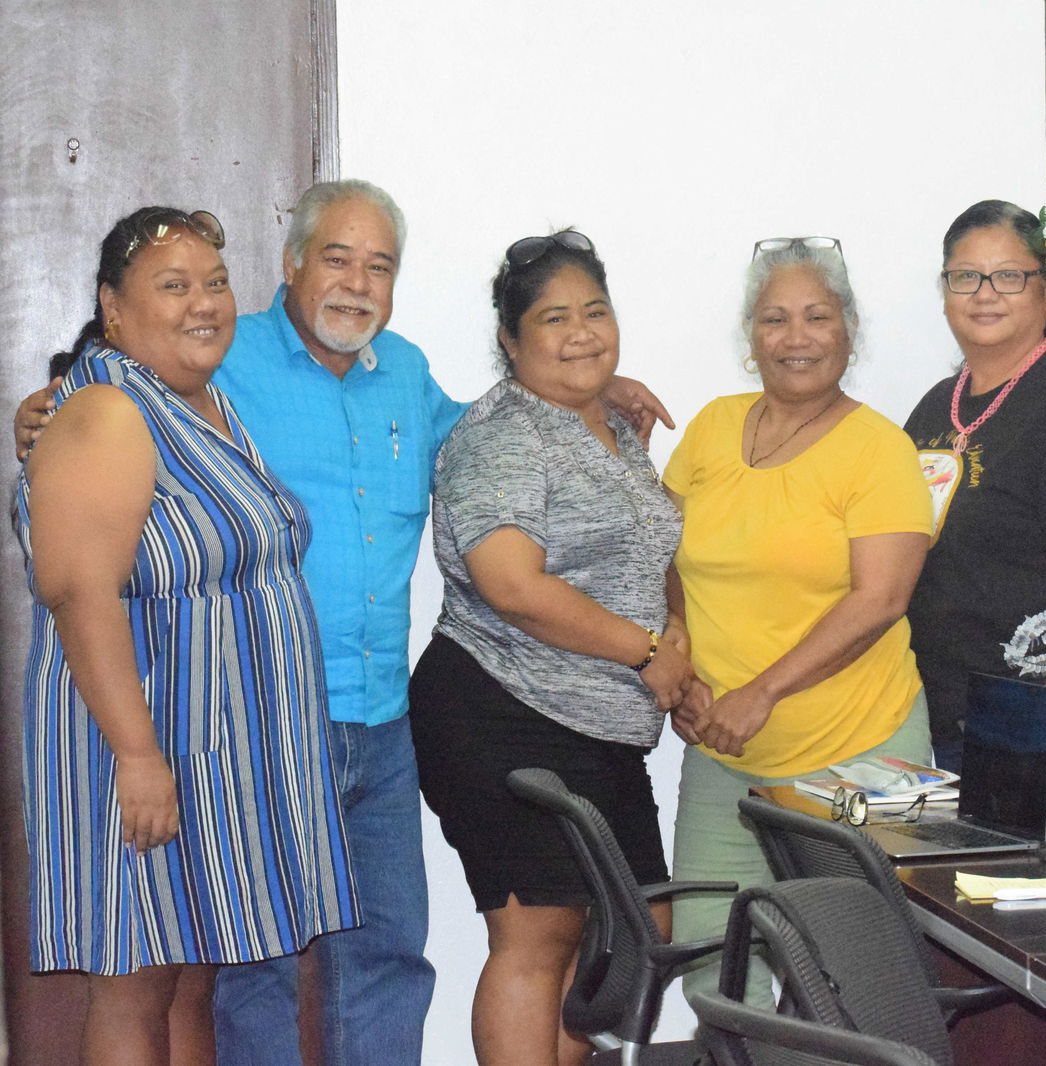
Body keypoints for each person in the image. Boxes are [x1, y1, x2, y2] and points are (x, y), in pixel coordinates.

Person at [12, 180, 673, 1065]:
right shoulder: (217, 359)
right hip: (251, 721)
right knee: (251, 966)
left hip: (381, 718)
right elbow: (84, 541)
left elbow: (486, 438)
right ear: (290, 264)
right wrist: (44, 410)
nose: (358, 283)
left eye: (380, 266)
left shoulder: (401, 372)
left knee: (386, 952)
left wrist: (587, 381)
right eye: (337, 258)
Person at [14, 206, 359, 1065]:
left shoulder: (199, 402)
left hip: (210, 749)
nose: (203, 302)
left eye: (215, 282)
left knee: (188, 980)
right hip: (139, 746)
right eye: (174, 286)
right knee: (135, 985)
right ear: (113, 306)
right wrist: (137, 757)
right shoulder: (107, 411)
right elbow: (79, 591)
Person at [406, 230, 691, 1066]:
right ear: (510, 339)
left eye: (594, 312)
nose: (580, 334)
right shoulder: (503, 435)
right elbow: (511, 584)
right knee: (539, 933)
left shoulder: (612, 425)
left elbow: (649, 546)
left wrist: (677, 636)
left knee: (637, 929)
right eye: (553, 319)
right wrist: (646, 652)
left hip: (600, 727)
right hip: (500, 710)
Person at [666, 236, 933, 1003]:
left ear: (850, 329)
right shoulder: (713, 427)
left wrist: (762, 692)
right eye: (775, 318)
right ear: (750, 337)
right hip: (725, 753)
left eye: (817, 316)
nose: (797, 336)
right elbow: (664, 552)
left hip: (861, 755)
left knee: (856, 985)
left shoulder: (880, 451)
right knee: (712, 970)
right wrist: (679, 653)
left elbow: (880, 599)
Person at [903, 200, 1046, 769]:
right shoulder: (936, 406)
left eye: (1008, 276)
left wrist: (1045, 732)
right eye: (966, 277)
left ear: (1045, 292)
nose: (985, 294)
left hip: (1031, 724)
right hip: (943, 715)